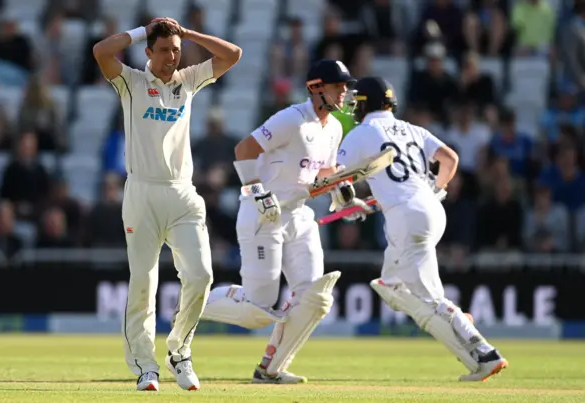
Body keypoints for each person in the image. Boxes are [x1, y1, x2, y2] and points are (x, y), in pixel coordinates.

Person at [197, 59, 371, 383]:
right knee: (257, 313)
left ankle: (270, 369)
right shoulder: (291, 118)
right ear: (316, 88)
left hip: (299, 215)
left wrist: (345, 197)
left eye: (346, 86)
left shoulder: (333, 128)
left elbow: (327, 174)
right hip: (263, 214)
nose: (344, 92)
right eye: (338, 86)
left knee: (314, 298)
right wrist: (258, 194)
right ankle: (191, 305)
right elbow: (243, 149)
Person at [92, 17, 241, 392]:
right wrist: (145, 29)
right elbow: (100, 51)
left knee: (202, 275)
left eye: (176, 50)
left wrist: (188, 35)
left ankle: (180, 350)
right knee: (143, 282)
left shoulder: (188, 81)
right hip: (142, 193)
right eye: (164, 50)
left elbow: (233, 55)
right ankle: (145, 366)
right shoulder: (132, 82)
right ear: (148, 52)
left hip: (183, 193)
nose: (172, 57)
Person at [337, 77, 509, 382]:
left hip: (406, 218)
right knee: (388, 285)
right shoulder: (413, 129)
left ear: (365, 103)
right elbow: (450, 159)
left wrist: (347, 205)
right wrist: (437, 188)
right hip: (431, 210)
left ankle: (482, 350)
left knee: (430, 298)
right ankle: (450, 320)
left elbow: (339, 181)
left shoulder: (360, 133)